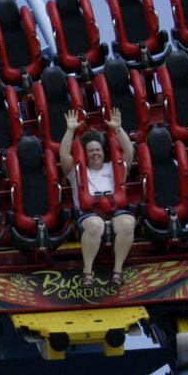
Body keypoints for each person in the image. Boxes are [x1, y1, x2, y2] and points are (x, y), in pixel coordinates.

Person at [59, 107, 135, 287]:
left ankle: (117, 271)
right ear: (85, 154)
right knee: (95, 225)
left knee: (128, 223)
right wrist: (70, 130)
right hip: (89, 214)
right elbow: (64, 156)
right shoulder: (78, 171)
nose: (95, 153)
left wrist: (118, 129)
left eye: (97, 150)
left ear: (103, 151)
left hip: (115, 210)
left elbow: (129, 153)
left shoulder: (113, 168)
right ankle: (87, 273)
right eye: (91, 151)